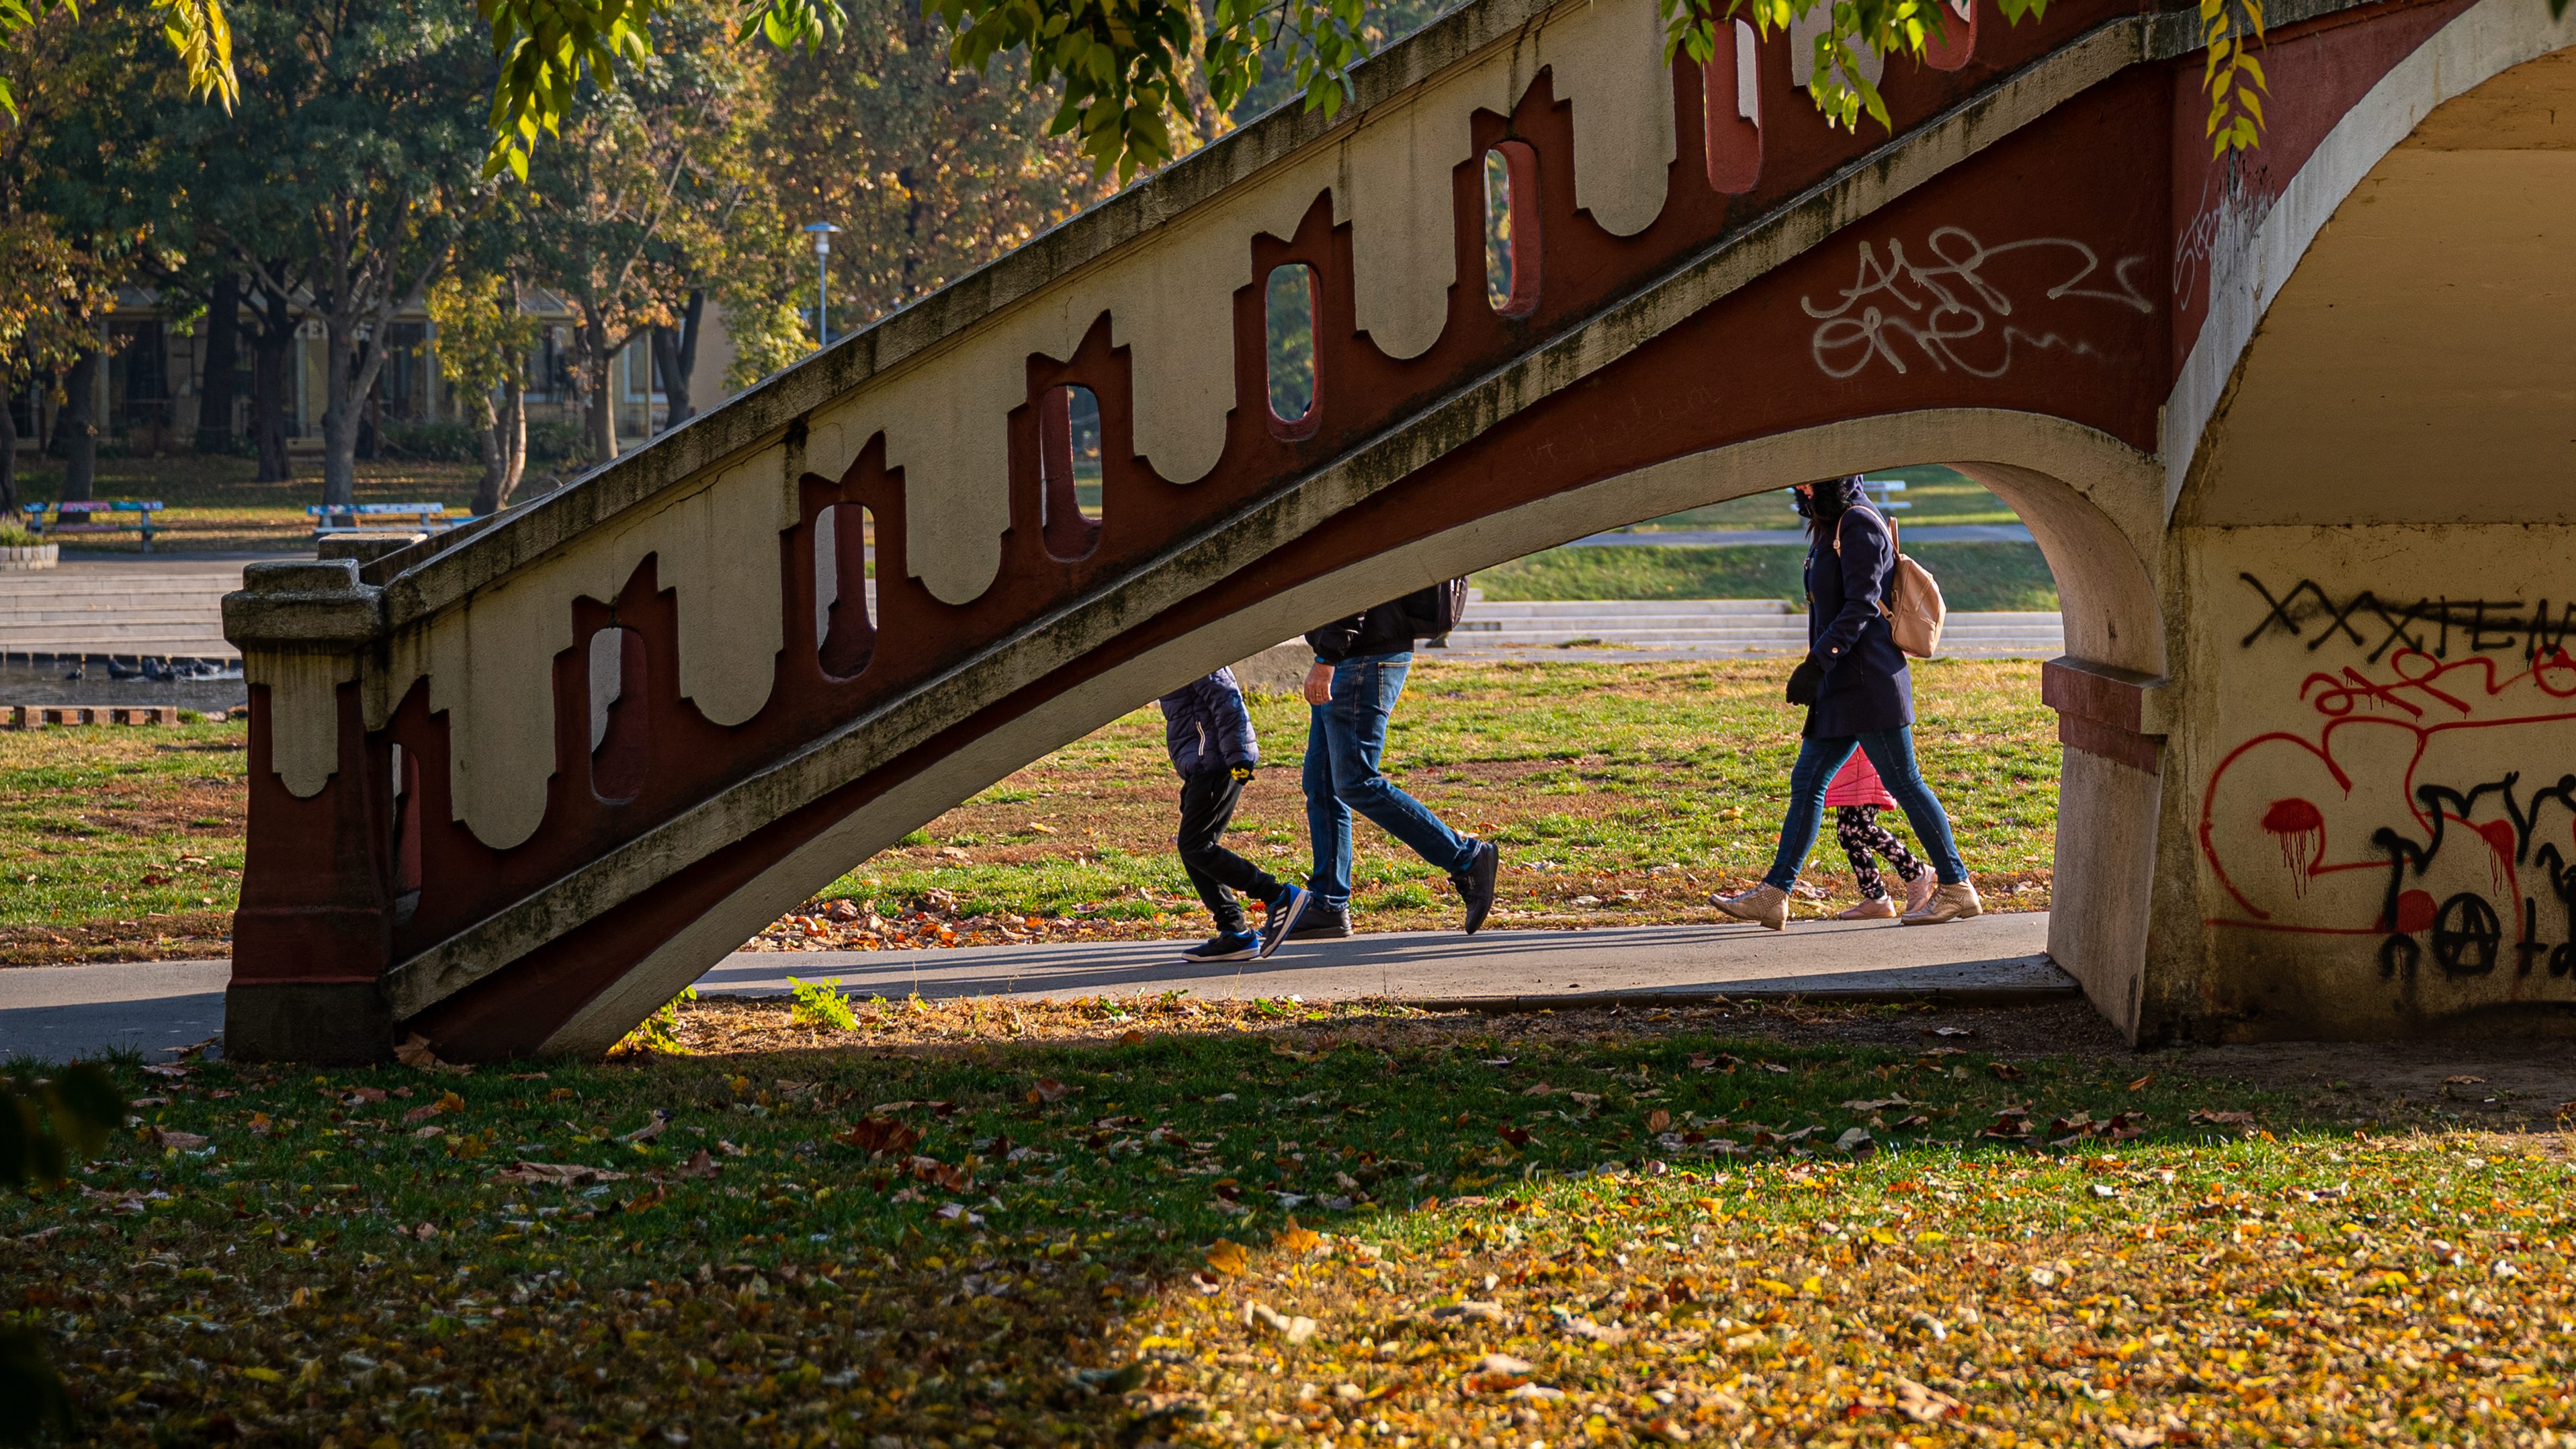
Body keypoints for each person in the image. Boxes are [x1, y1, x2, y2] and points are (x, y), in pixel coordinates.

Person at [1714, 476, 1981, 928]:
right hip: (1841, 686)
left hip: (1867, 684)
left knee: (1906, 783)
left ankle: (1956, 887)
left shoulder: (1859, 524)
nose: (1800, 487)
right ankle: (1775, 894)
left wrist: (1817, 663)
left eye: (1808, 480)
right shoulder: (1833, 523)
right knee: (1808, 782)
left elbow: (1861, 605)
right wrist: (1820, 670)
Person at [1284, 585, 1500, 943]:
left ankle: (1466, 857)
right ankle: (1329, 905)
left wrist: (1326, 660)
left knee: (1355, 780)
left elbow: (1354, 588)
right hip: (1354, 653)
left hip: (1361, 656)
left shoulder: (1344, 530)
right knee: (1321, 784)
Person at [1157, 667, 1310, 962]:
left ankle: (1277, 895)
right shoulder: (1169, 656)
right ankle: (1235, 933)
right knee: (1193, 847)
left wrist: (1238, 756)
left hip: (1217, 762)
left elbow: (1228, 699)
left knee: (1195, 846)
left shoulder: (1193, 654)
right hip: (1201, 764)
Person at [1823, 749, 1935, 919]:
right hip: (1850, 767)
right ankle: (1876, 897)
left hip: (1862, 764)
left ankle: (1917, 872)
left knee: (1860, 827)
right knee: (1847, 834)